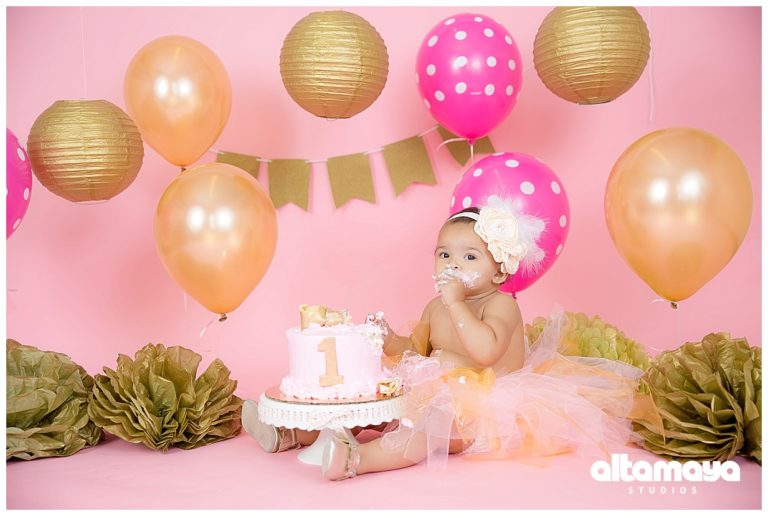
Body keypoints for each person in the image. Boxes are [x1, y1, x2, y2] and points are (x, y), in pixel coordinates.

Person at [319, 198, 662, 481]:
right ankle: (310, 434)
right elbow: (417, 351)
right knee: (379, 406)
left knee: (422, 429)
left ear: (499, 271)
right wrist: (389, 338)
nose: (454, 264)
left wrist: (456, 305)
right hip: (435, 391)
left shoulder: (500, 306)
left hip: (484, 407)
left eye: (470, 257)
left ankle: (355, 460)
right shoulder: (435, 307)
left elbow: (485, 352)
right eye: (444, 255)